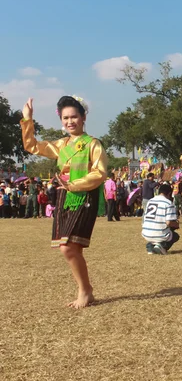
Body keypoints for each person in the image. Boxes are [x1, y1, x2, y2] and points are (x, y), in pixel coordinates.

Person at [20, 96, 108, 309]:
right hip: (63, 196)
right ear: (61, 120)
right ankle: (85, 291)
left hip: (84, 196)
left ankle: (85, 290)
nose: (70, 121)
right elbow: (31, 145)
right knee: (73, 248)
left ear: (83, 117)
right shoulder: (60, 145)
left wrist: (74, 184)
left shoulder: (93, 144)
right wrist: (27, 119)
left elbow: (100, 172)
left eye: (74, 117)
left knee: (66, 248)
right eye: (66, 118)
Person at [142, 183, 180, 255]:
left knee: (158, 229)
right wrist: (177, 224)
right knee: (175, 236)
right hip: (159, 234)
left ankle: (150, 247)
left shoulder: (150, 201)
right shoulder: (168, 203)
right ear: (169, 193)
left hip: (146, 233)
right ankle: (162, 247)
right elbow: (169, 222)